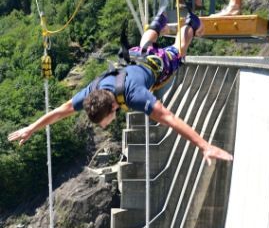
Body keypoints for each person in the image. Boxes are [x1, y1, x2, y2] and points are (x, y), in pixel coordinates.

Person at [8, 11, 233, 165]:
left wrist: (204, 146)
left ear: (114, 106)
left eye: (106, 121)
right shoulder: (92, 92)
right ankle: (157, 24)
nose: (106, 126)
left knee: (179, 49)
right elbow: (60, 111)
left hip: (156, 65)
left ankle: (192, 24)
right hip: (133, 57)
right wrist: (31, 128)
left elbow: (169, 118)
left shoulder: (134, 95)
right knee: (144, 45)